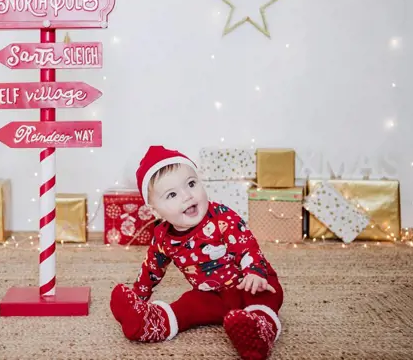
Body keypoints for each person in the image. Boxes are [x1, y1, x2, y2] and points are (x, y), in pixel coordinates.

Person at [110, 145, 284, 360]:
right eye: (172, 194)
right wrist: (139, 297)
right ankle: (153, 321)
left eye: (191, 184)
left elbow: (246, 245)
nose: (187, 196)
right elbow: (151, 270)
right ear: (154, 210)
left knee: (264, 296)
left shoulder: (222, 217)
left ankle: (259, 329)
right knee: (188, 305)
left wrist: (254, 271)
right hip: (210, 295)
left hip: (247, 282)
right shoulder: (163, 237)